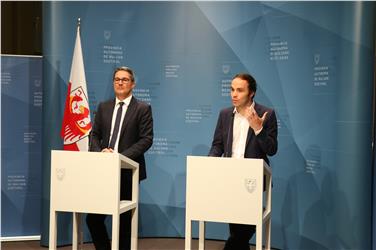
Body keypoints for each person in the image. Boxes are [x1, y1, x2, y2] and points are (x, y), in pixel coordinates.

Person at [86, 66, 153, 250]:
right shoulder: (103, 106)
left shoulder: (142, 108)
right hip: (104, 172)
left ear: (132, 83)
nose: (120, 82)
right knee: (93, 219)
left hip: (127, 172)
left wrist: (119, 158)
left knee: (124, 223)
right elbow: (94, 135)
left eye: (124, 79)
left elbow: (146, 139)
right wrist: (101, 152)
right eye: (117, 79)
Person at [208, 73, 278, 250]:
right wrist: (210, 163)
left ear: (251, 93)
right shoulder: (224, 114)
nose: (234, 94)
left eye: (239, 90)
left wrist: (258, 128)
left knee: (241, 231)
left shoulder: (266, 114)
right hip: (230, 178)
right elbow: (218, 145)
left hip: (252, 181)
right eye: (232, 89)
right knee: (237, 229)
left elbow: (272, 150)